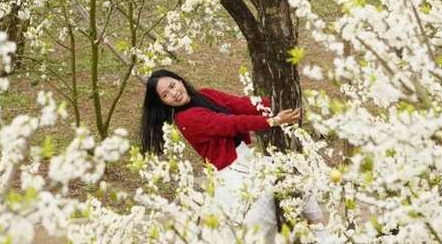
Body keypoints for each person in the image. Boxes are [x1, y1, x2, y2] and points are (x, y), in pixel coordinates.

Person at [140, 69, 333, 243]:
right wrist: (272, 120)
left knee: (294, 178)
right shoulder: (185, 119)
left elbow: (240, 104)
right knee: (259, 216)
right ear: (163, 103)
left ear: (180, 80)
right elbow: (229, 123)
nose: (173, 93)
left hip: (246, 159)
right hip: (230, 173)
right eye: (165, 94)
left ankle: (320, 232)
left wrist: (280, 103)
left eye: (172, 85)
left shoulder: (206, 94)